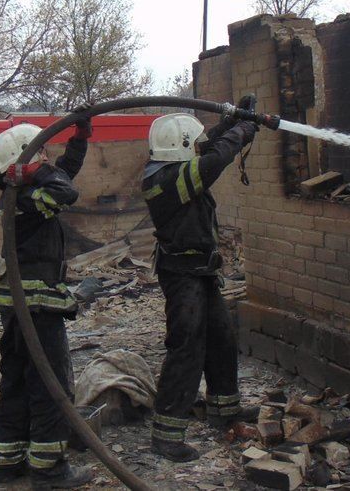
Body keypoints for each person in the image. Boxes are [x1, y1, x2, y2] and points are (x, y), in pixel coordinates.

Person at [142, 97, 260, 462]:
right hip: (182, 275)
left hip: (200, 270)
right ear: (179, 148)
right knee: (187, 346)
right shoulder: (166, 179)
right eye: (190, 143)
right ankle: (166, 434)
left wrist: (231, 119)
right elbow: (214, 159)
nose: (197, 146)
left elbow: (207, 147)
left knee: (222, 340)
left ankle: (224, 412)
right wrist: (244, 129)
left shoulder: (171, 167)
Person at [0, 116, 94, 489]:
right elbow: (66, 190)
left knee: (16, 381)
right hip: (36, 305)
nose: (48, 159)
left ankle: (8, 465)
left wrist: (80, 135)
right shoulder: (28, 197)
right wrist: (39, 167)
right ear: (24, 163)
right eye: (41, 153)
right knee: (50, 384)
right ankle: (49, 471)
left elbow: (64, 172)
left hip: (18, 306)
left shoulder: (23, 190)